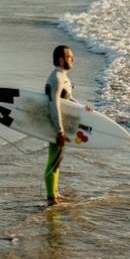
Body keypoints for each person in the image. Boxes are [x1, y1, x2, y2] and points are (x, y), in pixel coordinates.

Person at [44, 45, 92, 205]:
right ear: (61, 59)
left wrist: (83, 108)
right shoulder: (56, 78)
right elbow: (54, 104)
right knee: (54, 159)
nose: (73, 59)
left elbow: (67, 101)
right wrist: (59, 130)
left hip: (60, 125)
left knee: (58, 159)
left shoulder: (63, 77)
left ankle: (55, 192)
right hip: (55, 125)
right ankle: (51, 197)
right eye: (70, 56)